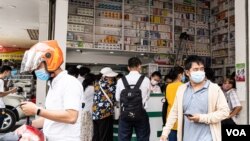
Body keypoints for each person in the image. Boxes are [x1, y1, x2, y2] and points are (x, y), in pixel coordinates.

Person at [19, 40, 83, 141]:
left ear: (51, 61)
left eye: (38, 66)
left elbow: (71, 117)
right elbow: (51, 118)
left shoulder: (70, 83)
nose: (36, 71)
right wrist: (29, 125)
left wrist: (36, 110)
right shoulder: (54, 84)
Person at [160, 55, 230, 141]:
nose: (200, 72)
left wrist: (201, 118)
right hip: (187, 137)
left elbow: (225, 112)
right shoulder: (182, 89)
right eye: (195, 69)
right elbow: (174, 112)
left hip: (208, 138)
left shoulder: (214, 89)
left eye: (201, 69)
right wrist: (165, 132)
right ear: (187, 72)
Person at [116, 57, 151, 141]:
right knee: (143, 138)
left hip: (125, 114)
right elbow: (148, 96)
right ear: (139, 66)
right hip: (141, 113)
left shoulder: (121, 80)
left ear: (128, 67)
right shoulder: (146, 80)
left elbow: (117, 98)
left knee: (124, 139)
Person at [92, 67, 117, 141]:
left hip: (95, 113)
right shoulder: (111, 86)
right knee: (105, 136)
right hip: (105, 113)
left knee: (96, 135)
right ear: (106, 76)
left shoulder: (97, 83)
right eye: (111, 76)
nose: (113, 77)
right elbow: (117, 97)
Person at [165, 66, 185, 141]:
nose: (184, 76)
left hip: (171, 120)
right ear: (180, 75)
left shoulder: (168, 86)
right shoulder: (184, 86)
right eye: (183, 74)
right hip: (181, 120)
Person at [81, 73, 96, 141]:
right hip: (89, 112)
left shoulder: (83, 87)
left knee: (83, 130)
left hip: (83, 112)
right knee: (89, 131)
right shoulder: (93, 88)